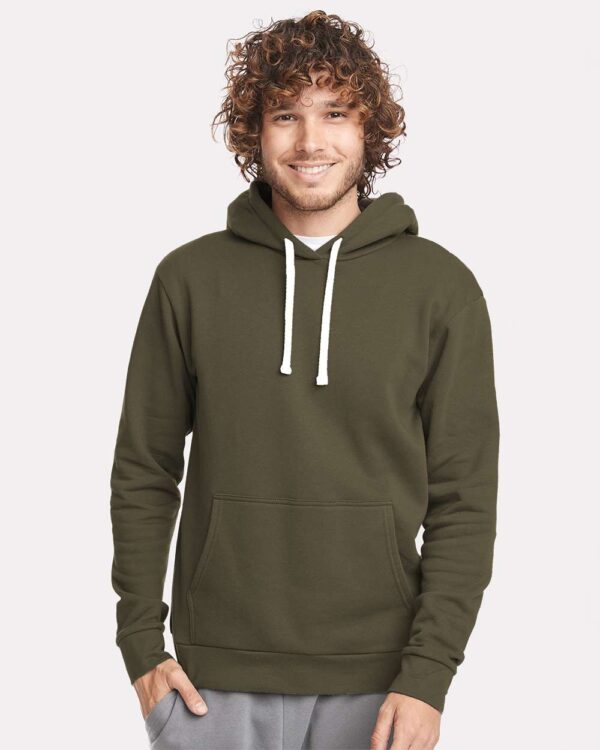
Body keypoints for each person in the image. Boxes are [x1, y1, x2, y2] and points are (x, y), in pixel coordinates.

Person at [110, 10, 500, 750]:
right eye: (285, 114)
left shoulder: (440, 289)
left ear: (369, 129)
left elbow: (465, 498)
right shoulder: (189, 279)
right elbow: (143, 469)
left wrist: (428, 675)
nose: (310, 141)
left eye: (335, 113)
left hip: (382, 683)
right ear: (254, 132)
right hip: (208, 681)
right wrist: (140, 648)